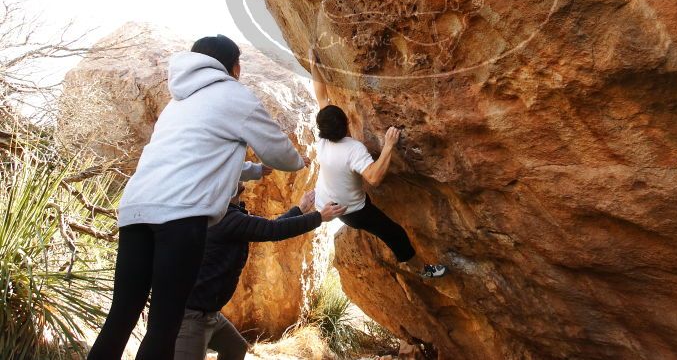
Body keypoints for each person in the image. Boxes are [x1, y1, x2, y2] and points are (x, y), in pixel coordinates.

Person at [88, 35, 311, 360]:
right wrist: (295, 161)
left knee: (121, 317)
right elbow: (285, 157)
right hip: (179, 217)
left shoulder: (176, 102)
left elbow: (194, 157)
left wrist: (249, 170)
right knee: (165, 324)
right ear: (235, 67)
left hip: (136, 209)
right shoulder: (235, 94)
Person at [173, 175, 345, 360]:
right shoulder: (225, 218)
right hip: (192, 317)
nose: (239, 177)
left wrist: (300, 209)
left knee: (235, 348)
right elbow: (273, 230)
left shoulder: (228, 215)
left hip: (210, 314)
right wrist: (319, 217)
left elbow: (270, 227)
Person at [308, 49, 446, 278]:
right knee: (395, 234)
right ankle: (423, 270)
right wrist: (389, 146)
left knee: (372, 213)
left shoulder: (323, 138)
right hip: (353, 211)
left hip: (327, 204)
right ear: (345, 124)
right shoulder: (353, 148)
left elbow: (321, 97)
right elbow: (373, 177)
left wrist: (314, 66)